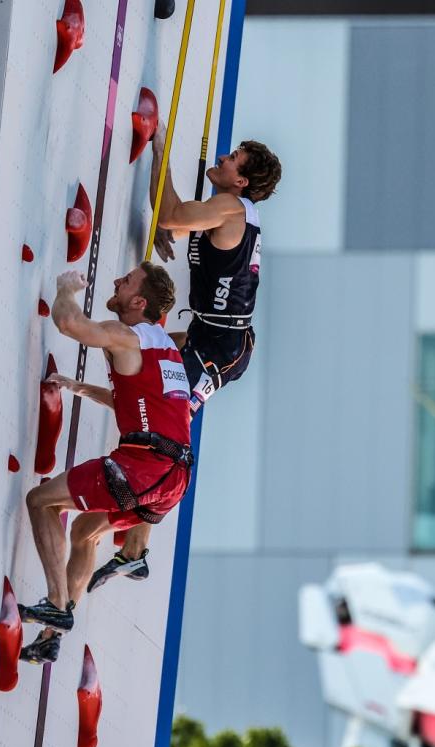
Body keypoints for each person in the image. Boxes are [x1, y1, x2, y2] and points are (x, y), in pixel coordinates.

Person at [87, 122, 281, 592]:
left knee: (166, 428)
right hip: (210, 336)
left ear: (240, 181)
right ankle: (135, 550)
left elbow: (172, 213)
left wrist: (160, 151)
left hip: (220, 349)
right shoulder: (234, 211)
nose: (223, 157)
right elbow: (193, 237)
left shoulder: (231, 208)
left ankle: (136, 551)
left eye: (233, 158)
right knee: (148, 361)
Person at [18, 265, 192, 664]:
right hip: (171, 481)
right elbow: (144, 406)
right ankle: (49, 638)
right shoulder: (166, 351)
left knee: (40, 500)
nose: (117, 282)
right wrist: (83, 389)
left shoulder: (126, 336)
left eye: (126, 281)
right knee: (85, 532)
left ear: (138, 302)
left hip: (143, 467)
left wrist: (65, 289)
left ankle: (57, 607)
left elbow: (69, 323)